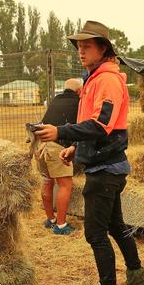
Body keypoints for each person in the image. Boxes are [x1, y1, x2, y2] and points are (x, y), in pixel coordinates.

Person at [36, 20, 144, 285]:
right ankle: (138, 281)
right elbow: (101, 129)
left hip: (106, 171)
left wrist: (61, 132)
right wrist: (76, 148)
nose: (80, 51)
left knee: (95, 234)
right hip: (106, 165)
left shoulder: (107, 80)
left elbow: (102, 124)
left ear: (104, 48)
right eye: (79, 46)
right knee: (116, 227)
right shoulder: (95, 78)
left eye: (87, 46)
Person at [36, 78, 82, 234]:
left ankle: (51, 219)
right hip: (56, 147)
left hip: (41, 146)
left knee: (47, 181)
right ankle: (61, 225)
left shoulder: (56, 100)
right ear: (79, 91)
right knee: (65, 185)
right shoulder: (78, 102)